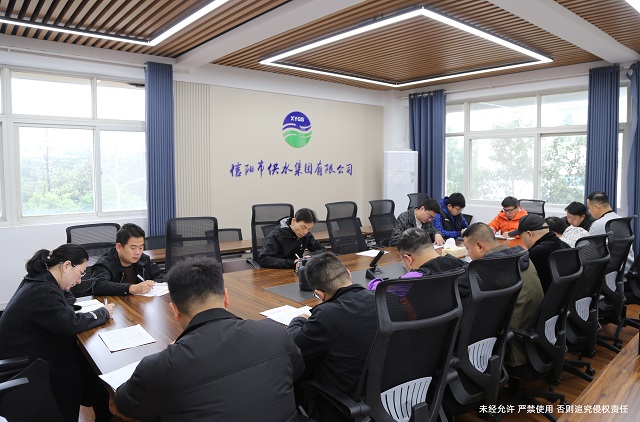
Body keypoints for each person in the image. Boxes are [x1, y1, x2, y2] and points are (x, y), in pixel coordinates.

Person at [115, 256, 304, 421]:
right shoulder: (276, 333)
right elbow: (296, 371)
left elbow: (125, 404)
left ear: (175, 311)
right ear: (226, 297)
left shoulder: (160, 366)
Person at [0, 244, 115, 422]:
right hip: (26, 366)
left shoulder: (41, 279)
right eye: (81, 273)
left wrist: (66, 292)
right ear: (66, 265)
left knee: (90, 372)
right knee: (84, 368)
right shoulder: (43, 290)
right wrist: (103, 313)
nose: (80, 281)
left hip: (27, 353)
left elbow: (67, 299)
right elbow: (71, 323)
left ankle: (102, 409)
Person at [287, 252, 377, 422]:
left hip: (343, 405)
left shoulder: (327, 315)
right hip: (388, 396)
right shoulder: (382, 299)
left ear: (319, 294)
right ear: (348, 274)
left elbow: (294, 346)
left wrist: (298, 320)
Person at [462, 223, 544, 367]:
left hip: (515, 344)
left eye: (468, 249)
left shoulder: (490, 269)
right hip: (536, 331)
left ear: (480, 246)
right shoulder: (519, 255)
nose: (469, 254)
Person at [368, 227, 466, 291]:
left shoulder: (415, 278)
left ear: (408, 259)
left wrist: (373, 282)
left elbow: (380, 290)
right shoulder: (462, 265)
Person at [91, 223, 165, 295]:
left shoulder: (144, 259)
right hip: (113, 302)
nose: (137, 252)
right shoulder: (105, 263)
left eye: (141, 247)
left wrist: (152, 283)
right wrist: (133, 288)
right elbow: (98, 286)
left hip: (138, 301)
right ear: (119, 247)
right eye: (133, 248)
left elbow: (161, 276)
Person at [509, 214, 569, 292]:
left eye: (521, 237)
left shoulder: (535, 254)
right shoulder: (565, 246)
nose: (522, 240)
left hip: (544, 297)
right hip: (564, 296)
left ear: (529, 234)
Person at [258, 208, 325, 269]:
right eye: (303, 227)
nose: (305, 232)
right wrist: (292, 262)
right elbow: (264, 260)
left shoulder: (306, 235)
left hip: (297, 271)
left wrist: (311, 256)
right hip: (277, 272)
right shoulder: (276, 235)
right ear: (293, 221)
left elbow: (321, 249)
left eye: (309, 229)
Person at [587, 191, 635, 273]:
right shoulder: (621, 220)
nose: (589, 211)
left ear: (596, 207)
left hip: (608, 272)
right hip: (626, 269)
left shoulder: (598, 224)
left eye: (589, 208)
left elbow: (590, 254)